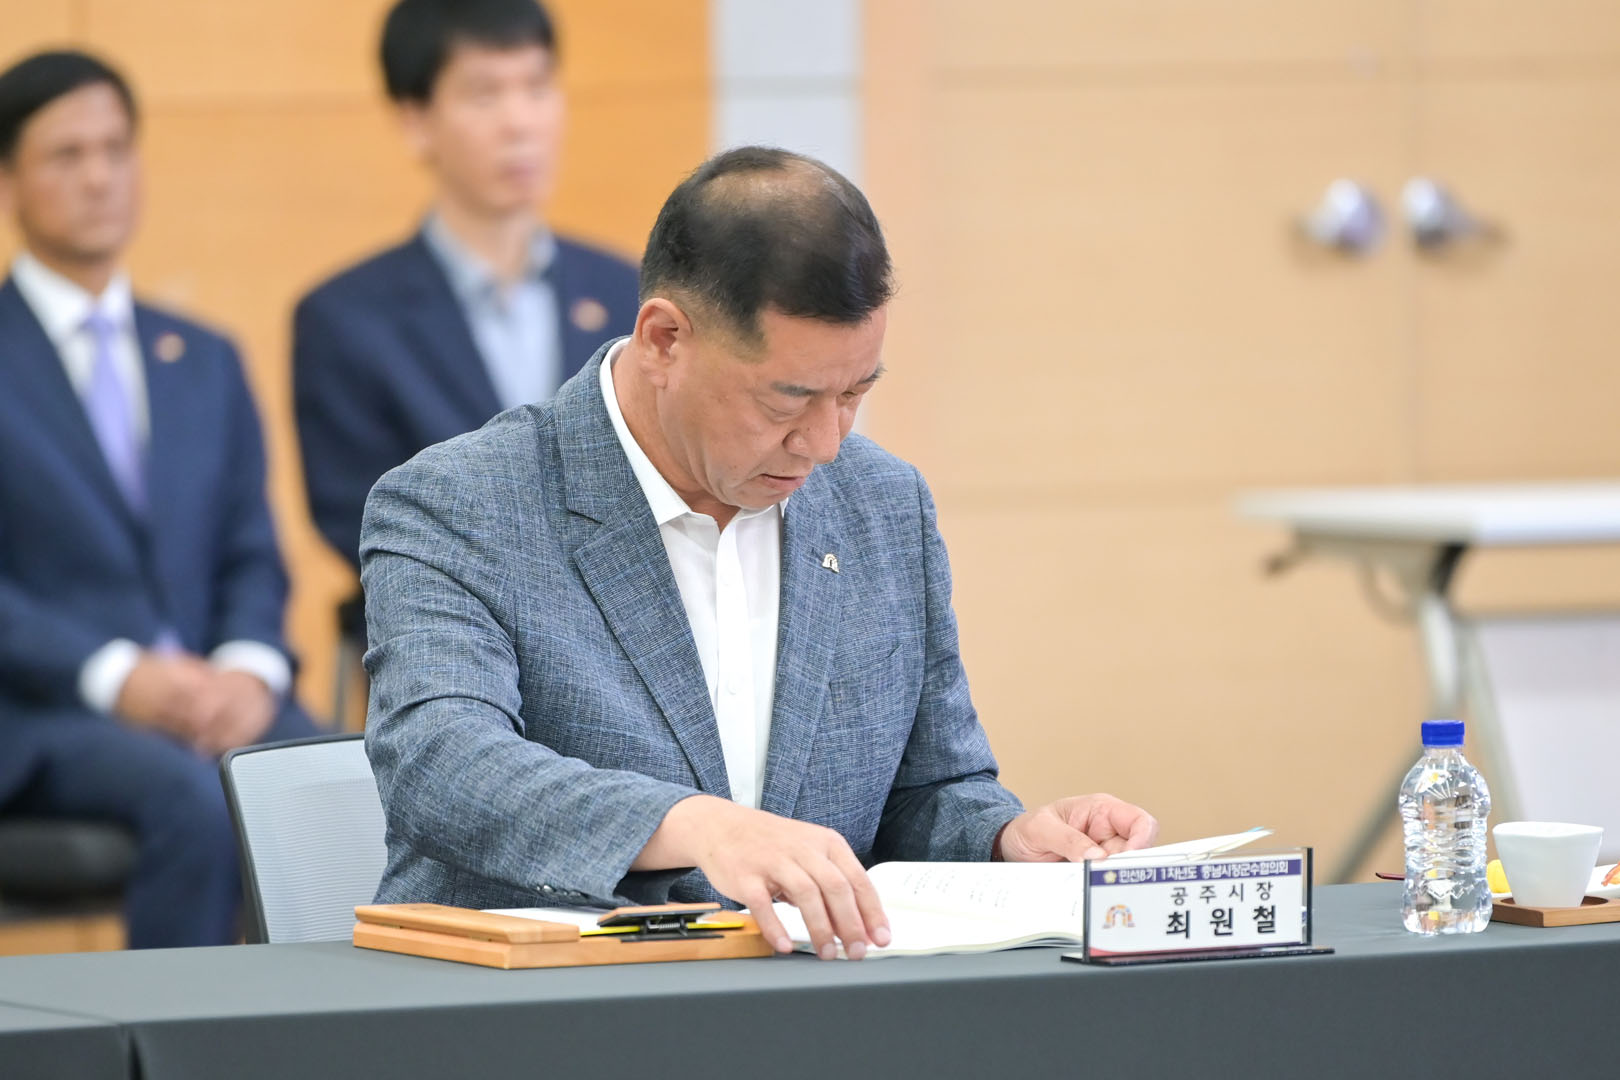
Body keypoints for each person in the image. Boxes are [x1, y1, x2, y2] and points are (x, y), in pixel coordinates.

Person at [361, 147, 1159, 961]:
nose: (824, 443)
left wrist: (1004, 838)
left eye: (854, 394)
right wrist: (698, 826)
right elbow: (441, 762)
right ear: (664, 339)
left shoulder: (882, 505)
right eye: (788, 400)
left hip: (811, 1004)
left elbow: (926, 791)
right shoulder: (465, 503)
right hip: (543, 1000)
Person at [0, 50, 317, 948]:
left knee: (357, 779)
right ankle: (177, 1027)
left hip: (215, 695)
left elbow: (250, 550)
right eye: (68, 155)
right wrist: (116, 674)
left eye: (116, 149)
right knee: (198, 803)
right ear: (10, 178)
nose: (100, 176)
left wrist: (249, 670)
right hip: (45, 714)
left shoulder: (203, 357)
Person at [294, 0, 641, 576]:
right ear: (415, 120)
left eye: (537, 87)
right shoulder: (345, 319)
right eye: (484, 95)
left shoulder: (627, 291)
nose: (520, 123)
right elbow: (356, 514)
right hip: (436, 614)